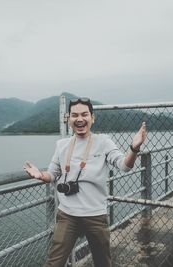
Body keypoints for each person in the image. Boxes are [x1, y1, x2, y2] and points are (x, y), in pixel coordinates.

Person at [24, 98, 147, 267]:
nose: (79, 119)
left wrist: (134, 148)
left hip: (95, 215)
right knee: (54, 262)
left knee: (103, 262)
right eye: (74, 115)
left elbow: (124, 166)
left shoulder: (103, 142)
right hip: (67, 214)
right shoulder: (62, 145)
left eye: (84, 114)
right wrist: (40, 175)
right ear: (68, 119)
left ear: (92, 118)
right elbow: (52, 174)